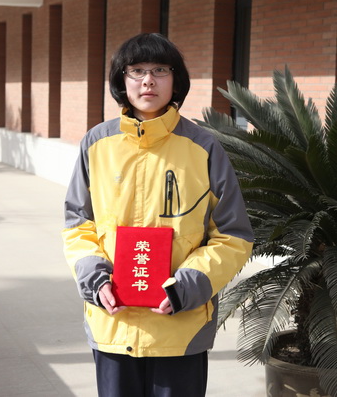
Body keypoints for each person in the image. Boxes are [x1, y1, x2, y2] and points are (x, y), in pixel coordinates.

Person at [62, 33, 253, 397]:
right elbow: (78, 224)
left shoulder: (203, 147)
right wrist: (95, 280)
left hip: (181, 327)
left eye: (160, 70)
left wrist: (188, 286)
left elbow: (233, 235)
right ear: (122, 80)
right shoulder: (96, 144)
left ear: (175, 81)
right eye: (136, 70)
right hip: (113, 324)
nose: (148, 80)